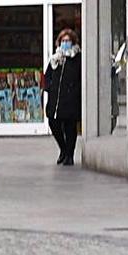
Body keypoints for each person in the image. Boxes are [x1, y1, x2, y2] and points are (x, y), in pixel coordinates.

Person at [44, 28, 82, 166]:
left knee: (70, 127)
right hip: (56, 100)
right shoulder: (56, 58)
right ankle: (63, 149)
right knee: (53, 123)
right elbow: (48, 76)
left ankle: (70, 155)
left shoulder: (78, 58)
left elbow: (80, 78)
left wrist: (76, 92)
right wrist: (49, 87)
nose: (65, 43)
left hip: (71, 100)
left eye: (68, 41)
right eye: (63, 41)